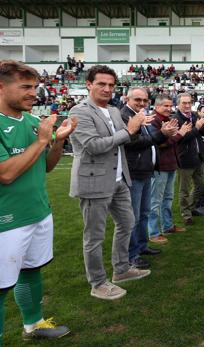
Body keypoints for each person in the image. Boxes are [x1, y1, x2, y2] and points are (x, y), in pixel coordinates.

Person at [0, 60, 75, 342]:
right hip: (6, 219)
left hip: (38, 212)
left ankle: (34, 325)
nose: (34, 93)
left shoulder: (33, 122)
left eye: (35, 86)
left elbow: (46, 166)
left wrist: (57, 142)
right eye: (25, 87)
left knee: (31, 270)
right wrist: (42, 140)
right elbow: (5, 174)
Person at [69, 65, 151, 300]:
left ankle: (121, 270)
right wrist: (130, 131)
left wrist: (133, 131)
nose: (107, 89)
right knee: (94, 236)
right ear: (89, 84)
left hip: (118, 179)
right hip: (94, 182)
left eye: (111, 85)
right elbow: (93, 146)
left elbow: (121, 142)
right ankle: (97, 282)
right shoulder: (79, 111)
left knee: (128, 222)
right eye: (101, 84)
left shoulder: (114, 111)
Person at [120, 87, 178, 269]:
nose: (142, 103)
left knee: (143, 213)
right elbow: (132, 143)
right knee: (134, 217)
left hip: (145, 171)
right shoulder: (125, 116)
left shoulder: (140, 114)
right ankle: (131, 254)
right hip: (135, 172)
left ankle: (141, 246)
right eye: (138, 100)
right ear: (127, 99)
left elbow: (146, 141)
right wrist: (162, 135)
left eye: (145, 100)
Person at [148, 95, 190, 244]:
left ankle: (168, 225)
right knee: (155, 201)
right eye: (165, 106)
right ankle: (153, 232)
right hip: (160, 166)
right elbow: (158, 143)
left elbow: (169, 142)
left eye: (170, 105)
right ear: (157, 106)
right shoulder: (153, 120)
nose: (168, 108)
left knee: (168, 198)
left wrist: (175, 136)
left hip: (171, 164)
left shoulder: (167, 120)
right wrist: (179, 135)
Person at [173, 93, 204, 226]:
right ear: (178, 104)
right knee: (184, 190)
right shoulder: (176, 119)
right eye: (184, 103)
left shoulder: (194, 115)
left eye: (189, 102)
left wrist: (202, 123)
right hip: (185, 160)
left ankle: (192, 207)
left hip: (198, 157)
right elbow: (182, 139)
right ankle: (186, 215)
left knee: (201, 185)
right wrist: (197, 127)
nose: (187, 105)